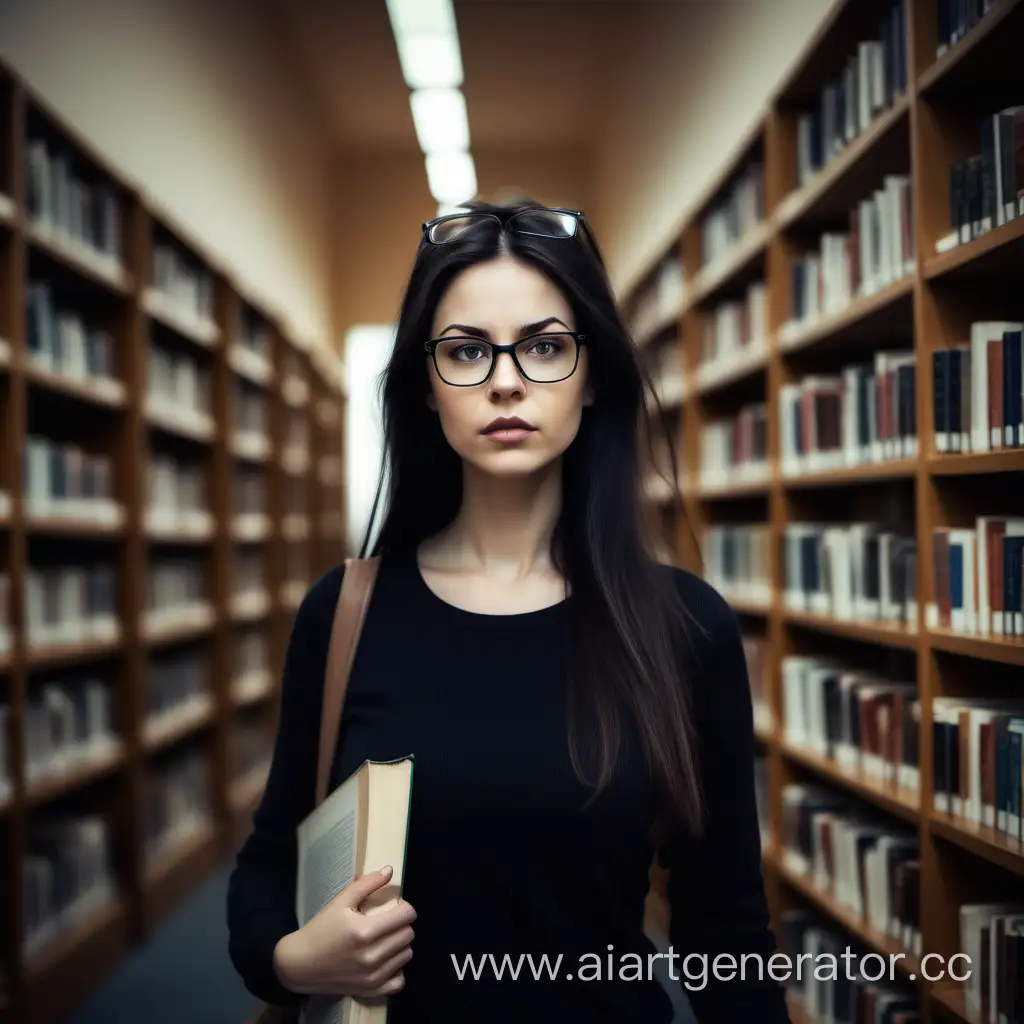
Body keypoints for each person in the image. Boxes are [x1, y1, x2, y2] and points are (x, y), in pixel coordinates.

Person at [226, 199, 790, 1023]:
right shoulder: (345, 611)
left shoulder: (684, 627)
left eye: (546, 346)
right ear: (425, 385)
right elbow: (269, 861)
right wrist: (291, 958)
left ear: (593, 375)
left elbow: (725, 923)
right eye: (465, 351)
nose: (505, 379)